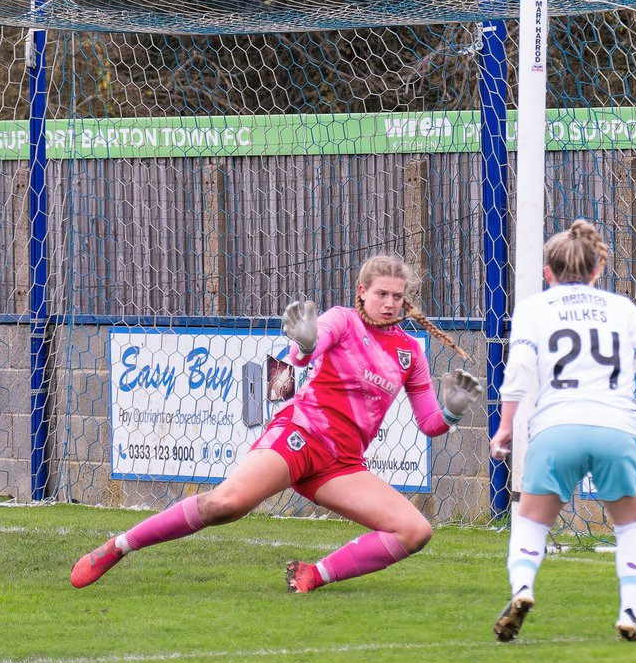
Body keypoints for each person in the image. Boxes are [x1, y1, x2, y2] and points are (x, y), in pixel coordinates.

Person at [71, 254, 484, 592]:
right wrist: (304, 341)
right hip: (299, 435)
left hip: (341, 465)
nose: (390, 303)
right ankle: (119, 546)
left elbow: (429, 423)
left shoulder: (410, 352)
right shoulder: (342, 320)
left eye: (397, 296)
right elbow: (306, 352)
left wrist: (451, 410)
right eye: (381, 294)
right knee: (225, 505)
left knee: (415, 531)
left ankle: (313, 575)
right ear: (362, 292)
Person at [488, 219, 636, 643]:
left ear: (546, 272)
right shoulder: (622, 309)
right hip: (616, 428)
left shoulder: (534, 308)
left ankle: (523, 588)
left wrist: (506, 426)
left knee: (531, 523)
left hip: (557, 428)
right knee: (629, 526)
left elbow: (519, 368)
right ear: (597, 270)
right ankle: (629, 611)